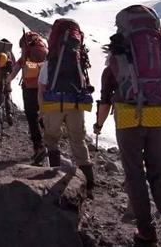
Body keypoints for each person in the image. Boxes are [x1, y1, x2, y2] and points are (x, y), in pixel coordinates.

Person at [93, 5, 161, 246]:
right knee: (158, 173)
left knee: (135, 175)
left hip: (128, 118)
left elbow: (105, 97)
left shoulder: (117, 56)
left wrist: (99, 125)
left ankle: (147, 232)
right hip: (157, 114)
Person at [38, 18, 95, 198]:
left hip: (54, 104)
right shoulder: (78, 59)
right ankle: (90, 185)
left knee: (52, 138)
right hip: (76, 103)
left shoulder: (50, 61)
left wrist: (42, 111)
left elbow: (41, 89)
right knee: (78, 140)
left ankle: (54, 176)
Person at [7, 31, 47, 164]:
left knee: (31, 117)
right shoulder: (43, 50)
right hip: (44, 88)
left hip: (29, 88)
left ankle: (38, 146)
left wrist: (7, 81)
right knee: (42, 114)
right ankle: (50, 143)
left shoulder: (26, 54)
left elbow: (16, 69)